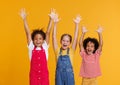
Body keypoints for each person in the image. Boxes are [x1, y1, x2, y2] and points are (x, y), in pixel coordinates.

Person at [19, 8, 55, 85]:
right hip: (34, 76)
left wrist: (51, 19)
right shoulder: (31, 46)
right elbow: (28, 33)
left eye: (40, 39)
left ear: (43, 40)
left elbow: (48, 32)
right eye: (35, 39)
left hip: (44, 76)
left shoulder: (45, 46)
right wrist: (24, 19)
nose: (38, 41)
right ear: (32, 40)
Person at [52, 10, 82, 85]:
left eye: (67, 41)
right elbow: (53, 37)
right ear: (61, 41)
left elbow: (76, 37)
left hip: (69, 75)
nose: (65, 42)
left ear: (70, 43)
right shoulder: (57, 50)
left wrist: (77, 24)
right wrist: (55, 23)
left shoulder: (71, 50)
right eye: (63, 40)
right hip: (59, 76)